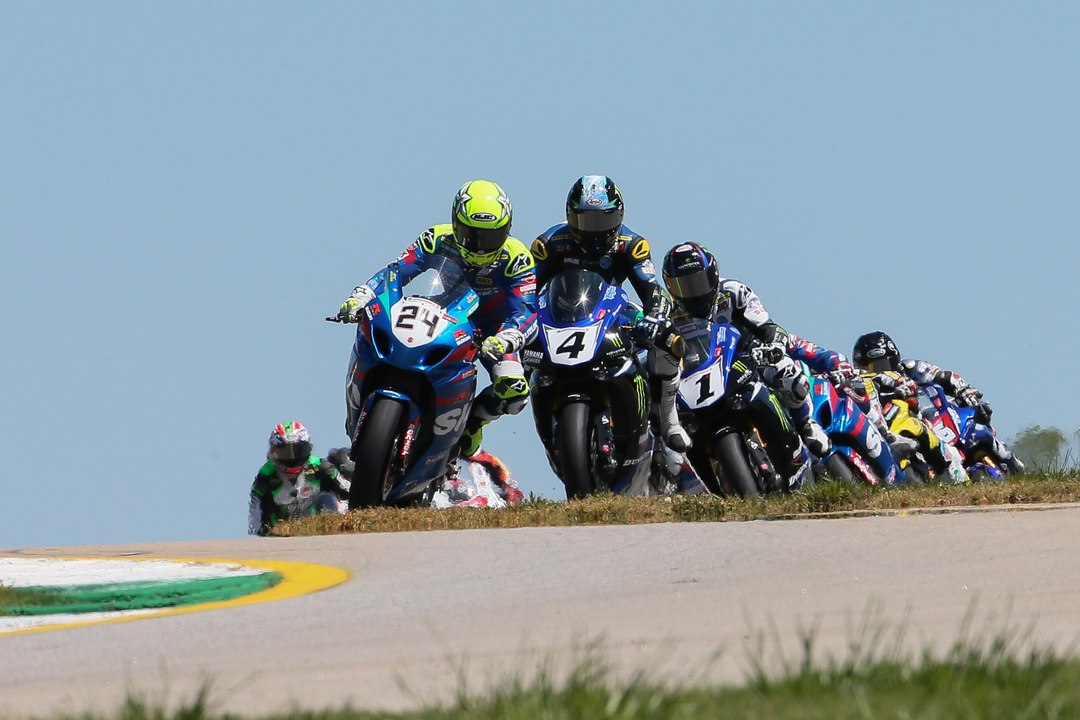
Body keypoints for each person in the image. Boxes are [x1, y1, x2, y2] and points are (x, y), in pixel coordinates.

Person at [338, 179, 537, 459]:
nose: (480, 248)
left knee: (515, 390)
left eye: (490, 237)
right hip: (442, 314)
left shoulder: (517, 258)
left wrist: (508, 338)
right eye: (471, 235)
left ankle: (473, 422)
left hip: (492, 329)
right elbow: (395, 272)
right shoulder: (436, 238)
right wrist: (362, 295)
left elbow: (527, 311)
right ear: (456, 224)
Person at [530, 175, 689, 451]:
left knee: (669, 340)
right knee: (520, 350)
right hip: (560, 313)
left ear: (618, 215)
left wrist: (655, 318)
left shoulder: (632, 244)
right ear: (570, 217)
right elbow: (526, 290)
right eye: (585, 221)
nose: (594, 231)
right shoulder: (550, 244)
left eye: (602, 221)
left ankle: (669, 419)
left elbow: (652, 290)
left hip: (616, 309)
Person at [660, 242, 831, 459]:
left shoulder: (733, 292)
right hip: (703, 372)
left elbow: (768, 327)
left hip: (749, 357)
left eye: (699, 282)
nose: (694, 293)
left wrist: (774, 346)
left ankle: (806, 424)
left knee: (790, 375)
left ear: (713, 274)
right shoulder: (671, 315)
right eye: (684, 287)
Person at [852, 331, 1024, 474]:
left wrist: (963, 389)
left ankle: (1010, 460)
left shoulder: (910, 368)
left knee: (977, 420)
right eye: (866, 368)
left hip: (936, 417)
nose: (874, 372)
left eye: (878, 365)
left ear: (893, 357)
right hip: (896, 427)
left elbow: (944, 376)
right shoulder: (863, 387)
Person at [248, 421, 351, 536]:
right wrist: (260, 531)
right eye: (285, 453)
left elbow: (347, 489)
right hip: (282, 533)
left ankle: (330, 526)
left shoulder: (320, 466)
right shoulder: (266, 474)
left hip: (318, 526)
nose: (292, 459)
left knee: (326, 497)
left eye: (297, 451)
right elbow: (255, 505)